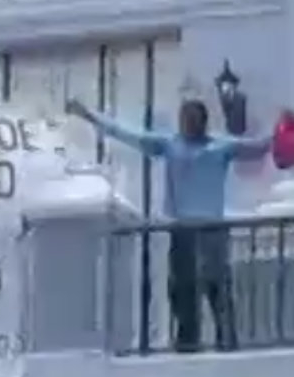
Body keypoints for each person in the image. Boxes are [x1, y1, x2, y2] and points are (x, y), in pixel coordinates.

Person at [65, 97, 275, 352]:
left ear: (203, 122)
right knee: (183, 293)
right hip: (183, 231)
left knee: (218, 290)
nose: (187, 124)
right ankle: (188, 347)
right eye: (184, 119)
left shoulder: (220, 146)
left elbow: (258, 148)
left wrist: (283, 132)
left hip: (211, 231)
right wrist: (89, 115)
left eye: (191, 119)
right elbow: (127, 133)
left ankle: (227, 344)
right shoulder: (170, 145)